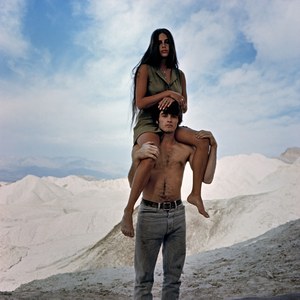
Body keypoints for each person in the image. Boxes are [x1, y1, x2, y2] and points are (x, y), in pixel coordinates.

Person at [121, 28, 210, 238]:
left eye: (167, 42)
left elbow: (185, 106)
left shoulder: (180, 75)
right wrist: (168, 92)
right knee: (151, 152)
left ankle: (195, 194)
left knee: (203, 140)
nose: (163, 45)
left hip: (172, 121)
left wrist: (176, 99)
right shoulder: (145, 69)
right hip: (149, 123)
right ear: (154, 45)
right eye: (159, 42)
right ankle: (128, 209)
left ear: (171, 46)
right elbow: (140, 102)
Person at [126, 102, 217, 299]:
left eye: (174, 117)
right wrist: (136, 158)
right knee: (143, 280)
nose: (169, 120)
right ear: (157, 119)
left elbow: (207, 178)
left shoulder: (185, 149)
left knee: (173, 280)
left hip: (176, 214)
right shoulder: (145, 145)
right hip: (150, 213)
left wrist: (214, 146)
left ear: (178, 121)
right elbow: (132, 181)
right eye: (165, 115)